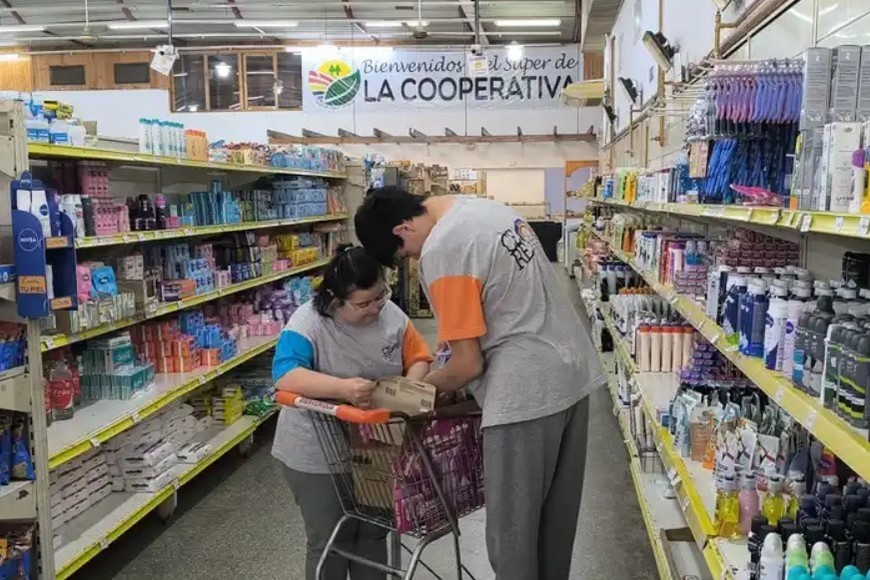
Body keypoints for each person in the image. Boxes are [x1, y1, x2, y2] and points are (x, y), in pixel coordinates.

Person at [354, 187, 606, 580]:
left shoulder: (442, 247)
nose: (415, 260)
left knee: (513, 539)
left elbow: (468, 365)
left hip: (524, 395)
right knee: (554, 530)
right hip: (571, 376)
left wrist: (406, 395)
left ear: (403, 229)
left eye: (406, 254)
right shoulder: (484, 210)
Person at [271, 244, 433, 580]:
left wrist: (406, 394)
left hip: (376, 442)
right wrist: (343, 389)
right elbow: (286, 374)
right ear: (334, 301)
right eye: (363, 303)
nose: (375, 307)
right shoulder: (308, 321)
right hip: (316, 448)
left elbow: (418, 357)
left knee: (373, 532)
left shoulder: (392, 316)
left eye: (380, 295)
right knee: (330, 538)